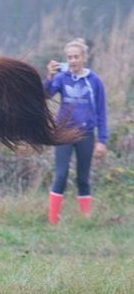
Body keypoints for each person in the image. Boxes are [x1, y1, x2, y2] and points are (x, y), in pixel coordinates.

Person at [44, 38, 107, 224]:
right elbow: (45, 95)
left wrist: (102, 140)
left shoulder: (94, 81)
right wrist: (49, 78)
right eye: (69, 57)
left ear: (84, 58)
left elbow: (102, 112)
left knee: (83, 178)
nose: (72, 61)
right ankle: (53, 220)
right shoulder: (61, 79)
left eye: (76, 57)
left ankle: (85, 219)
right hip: (64, 133)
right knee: (61, 175)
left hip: (86, 134)